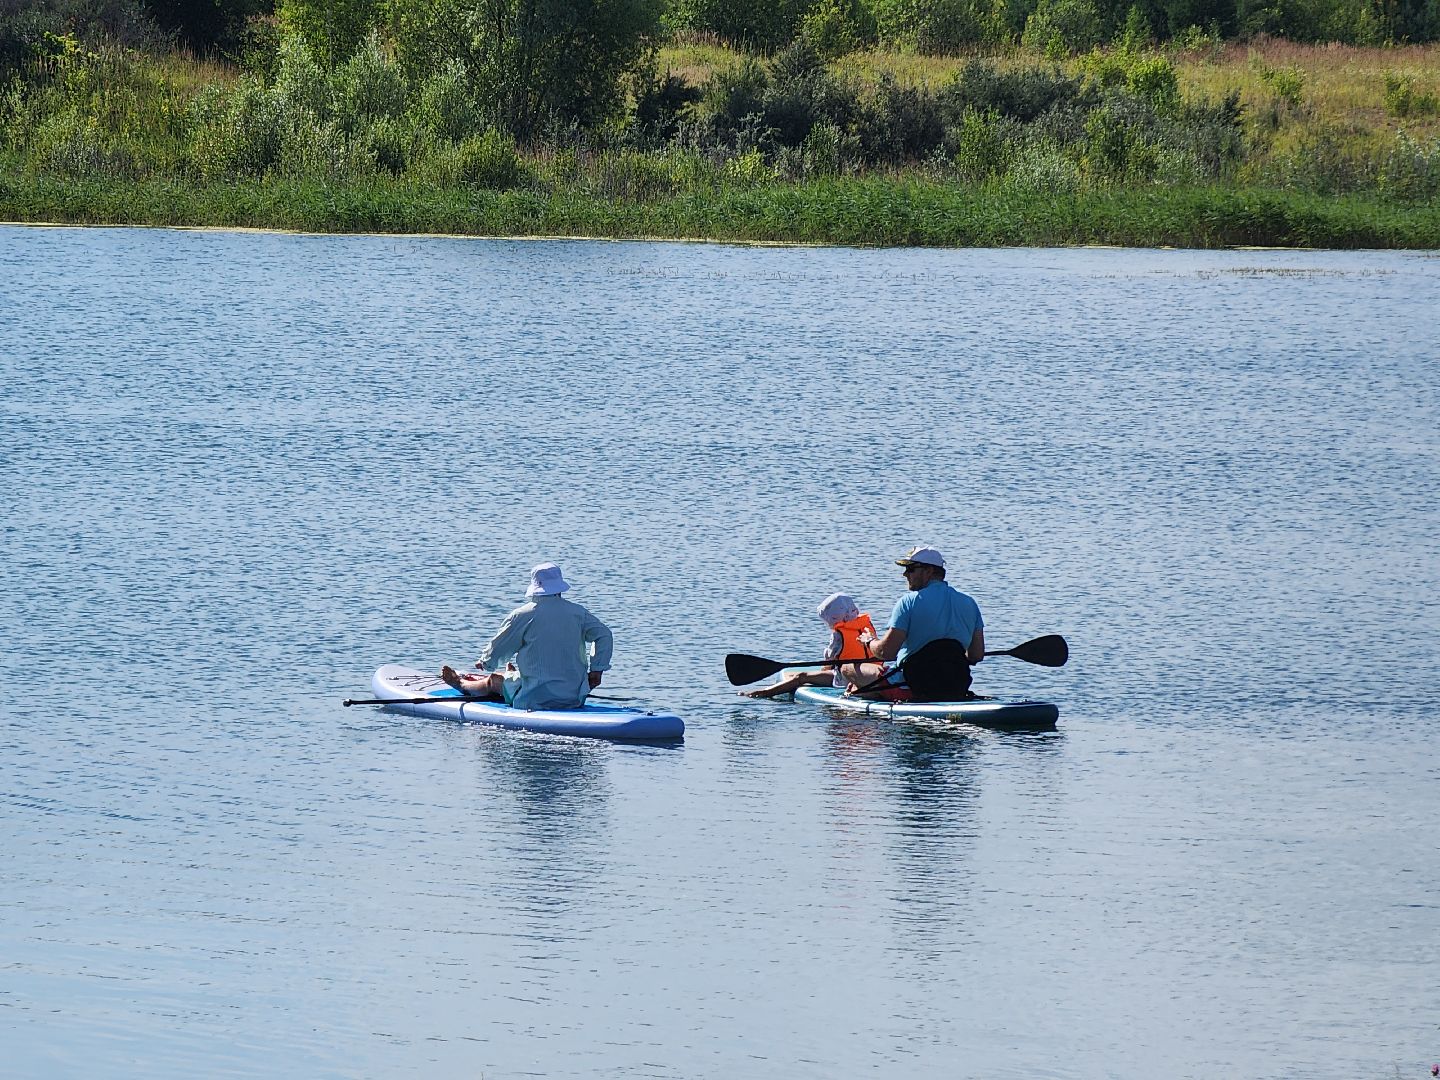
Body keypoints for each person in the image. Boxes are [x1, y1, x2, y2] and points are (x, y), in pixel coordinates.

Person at [440, 562, 613, 711]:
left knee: (494, 680)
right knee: (518, 676)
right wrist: (596, 670)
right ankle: (514, 676)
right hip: (574, 697)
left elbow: (500, 646)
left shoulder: (522, 615)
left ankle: (460, 684)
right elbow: (604, 635)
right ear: (559, 587)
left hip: (534, 697)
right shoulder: (579, 613)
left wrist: (486, 662)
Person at [848, 546, 985, 702]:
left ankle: (867, 692)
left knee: (848, 668)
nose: (905, 574)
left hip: (911, 687)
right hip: (955, 687)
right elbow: (976, 655)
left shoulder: (908, 602)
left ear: (928, 571)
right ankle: (868, 692)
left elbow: (886, 653)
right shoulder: (970, 603)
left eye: (911, 569)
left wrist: (869, 641)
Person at [741, 593, 878, 699]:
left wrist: (823, 672)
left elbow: (828, 663)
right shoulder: (867, 626)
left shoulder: (838, 636)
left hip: (846, 678)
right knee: (804, 677)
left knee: (801, 677)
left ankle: (764, 692)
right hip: (873, 675)